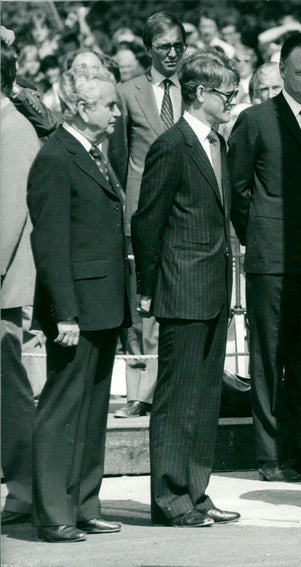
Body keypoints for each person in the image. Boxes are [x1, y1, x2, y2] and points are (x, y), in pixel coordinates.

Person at [131, 49, 241, 528]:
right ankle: (170, 497)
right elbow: (148, 219)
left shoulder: (220, 144)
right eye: (227, 93)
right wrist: (149, 288)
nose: (233, 101)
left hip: (214, 287)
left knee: (205, 398)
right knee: (177, 399)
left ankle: (196, 490)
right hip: (181, 287)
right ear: (201, 93)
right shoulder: (172, 145)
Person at [228, 32, 301, 483]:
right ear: (281, 71)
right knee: (269, 357)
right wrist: (259, 238)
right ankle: (271, 454)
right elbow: (238, 192)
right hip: (271, 261)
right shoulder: (256, 121)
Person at [27, 65, 130, 542]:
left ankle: (84, 504)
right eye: (108, 105)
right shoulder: (56, 157)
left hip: (102, 304)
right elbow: (50, 245)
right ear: (80, 108)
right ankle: (53, 512)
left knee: (91, 411)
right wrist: (64, 312)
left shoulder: (93, 153)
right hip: (77, 311)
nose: (116, 112)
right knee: (62, 409)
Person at [108, 12, 187, 419]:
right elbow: (119, 161)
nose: (172, 54)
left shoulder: (192, 88)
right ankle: (138, 393)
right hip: (143, 213)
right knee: (143, 307)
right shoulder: (126, 93)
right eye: (164, 47)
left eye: (178, 46)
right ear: (148, 50)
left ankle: (168, 389)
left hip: (187, 212)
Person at [0, 40, 39, 526]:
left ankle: (26, 489)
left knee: (9, 396)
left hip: (6, 291)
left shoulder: (13, 130)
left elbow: (7, 218)